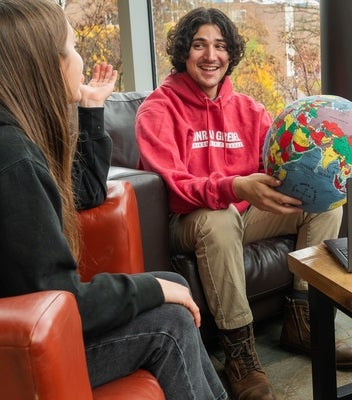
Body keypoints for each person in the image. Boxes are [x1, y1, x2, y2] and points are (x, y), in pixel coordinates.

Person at [0, 1, 228, 399]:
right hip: (21, 348)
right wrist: (154, 293)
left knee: (172, 282)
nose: (81, 60)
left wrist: (91, 109)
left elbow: (83, 194)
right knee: (170, 323)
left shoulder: (18, 139)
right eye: (71, 49)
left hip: (35, 322)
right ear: (40, 63)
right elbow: (61, 301)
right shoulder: (12, 158)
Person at [136, 7, 352, 400]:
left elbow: (271, 169)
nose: (211, 56)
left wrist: (309, 178)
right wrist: (235, 187)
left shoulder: (250, 110)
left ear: (231, 54)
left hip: (241, 214)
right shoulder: (158, 109)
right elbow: (174, 189)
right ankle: (239, 354)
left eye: (220, 46)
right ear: (183, 53)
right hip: (189, 221)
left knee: (324, 203)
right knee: (219, 217)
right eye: (199, 45)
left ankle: (303, 320)